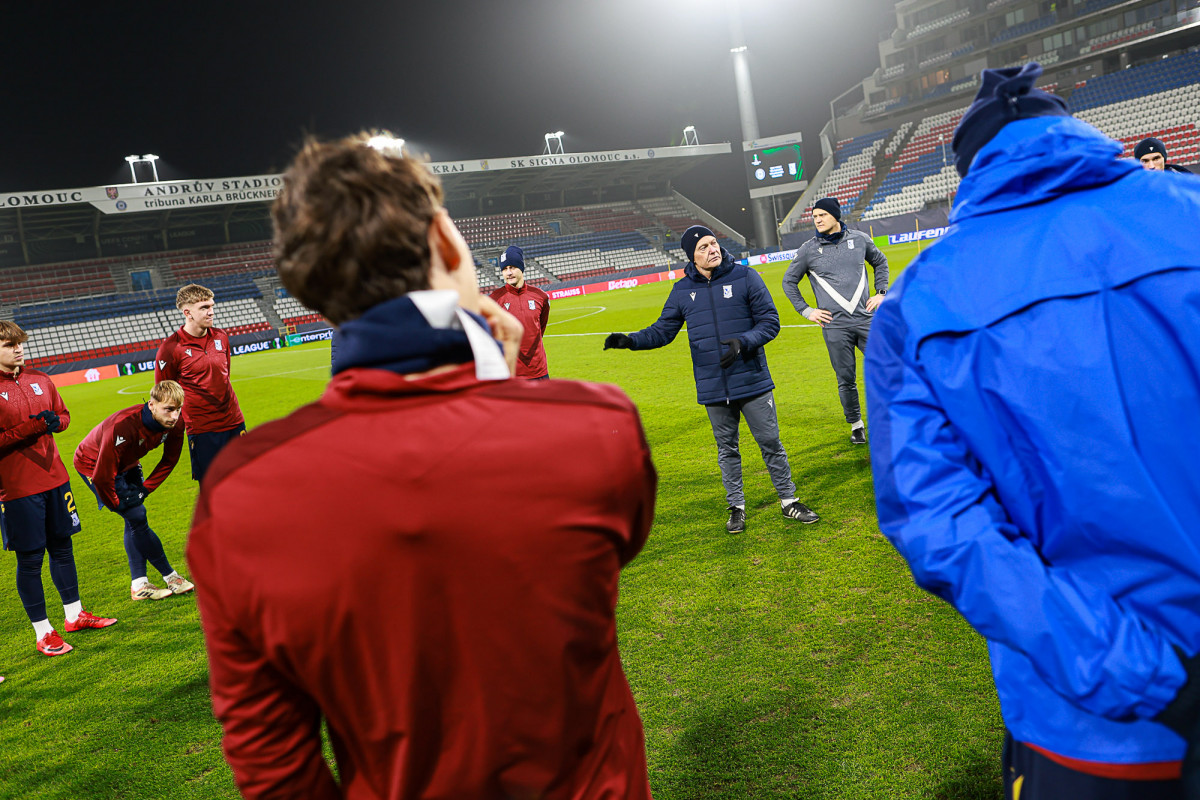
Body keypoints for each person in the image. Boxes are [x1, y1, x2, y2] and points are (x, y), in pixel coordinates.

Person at [187, 132, 658, 800]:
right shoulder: (594, 427)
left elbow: (271, 760)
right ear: (444, 242)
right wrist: (496, 376)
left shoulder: (240, 495)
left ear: (309, 288)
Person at [864, 63, 1200, 799]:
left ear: (968, 171)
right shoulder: (1188, 209)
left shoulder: (919, 302)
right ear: (1075, 130)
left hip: (1098, 731)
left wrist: (1149, 676)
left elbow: (942, 526)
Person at [605, 224, 819, 534]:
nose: (712, 249)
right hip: (713, 384)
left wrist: (743, 343)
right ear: (691, 256)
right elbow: (662, 331)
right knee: (727, 449)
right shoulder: (681, 291)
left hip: (752, 379)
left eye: (713, 242)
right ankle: (737, 508)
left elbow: (770, 322)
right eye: (703, 247)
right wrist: (630, 341)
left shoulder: (746, 277)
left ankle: (789, 500)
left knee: (770, 442)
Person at [0, 321, 116, 657]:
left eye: (20, 343)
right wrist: (33, 427)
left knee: (63, 548)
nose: (18, 349)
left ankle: (74, 615)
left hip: (55, 478)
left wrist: (56, 422)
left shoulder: (40, 378)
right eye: (9, 345)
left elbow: (63, 415)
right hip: (18, 488)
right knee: (31, 559)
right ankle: (43, 633)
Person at [73, 380, 195, 601]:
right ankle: (171, 577)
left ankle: (139, 584)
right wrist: (116, 503)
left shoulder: (176, 424)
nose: (174, 416)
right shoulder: (123, 425)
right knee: (136, 515)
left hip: (127, 462)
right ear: (152, 405)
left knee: (135, 519)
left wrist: (145, 490)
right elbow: (102, 475)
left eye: (178, 409)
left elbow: (169, 460)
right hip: (93, 463)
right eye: (168, 409)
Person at [782, 197, 888, 445]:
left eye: (822, 215)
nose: (817, 220)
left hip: (866, 320)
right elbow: (788, 281)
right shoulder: (808, 249)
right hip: (835, 327)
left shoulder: (860, 239)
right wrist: (806, 311)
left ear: (836, 216)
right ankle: (856, 425)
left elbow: (880, 261)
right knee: (846, 379)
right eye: (814, 216)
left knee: (888, 368)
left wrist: (881, 292)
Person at [154, 284, 246, 483]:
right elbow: (164, 395)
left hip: (234, 421)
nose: (211, 312)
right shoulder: (170, 349)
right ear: (187, 313)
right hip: (203, 429)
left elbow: (225, 376)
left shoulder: (221, 336)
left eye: (211, 306)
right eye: (204, 308)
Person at [488, 244, 551, 379]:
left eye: (512, 267)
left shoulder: (541, 296)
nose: (509, 273)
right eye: (505, 269)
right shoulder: (494, 300)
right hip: (511, 374)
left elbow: (540, 328)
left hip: (539, 371)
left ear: (521, 268)